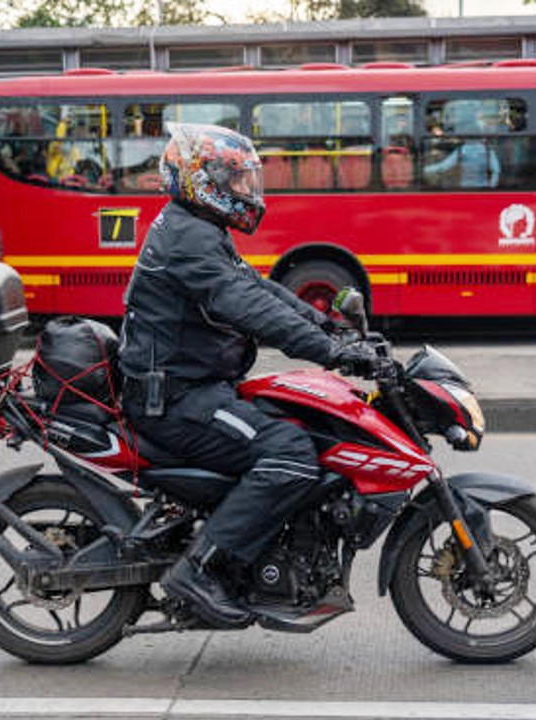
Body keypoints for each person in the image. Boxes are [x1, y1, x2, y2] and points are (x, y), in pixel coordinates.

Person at [118, 123, 375, 628]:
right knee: (291, 454)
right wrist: (328, 351)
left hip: (191, 385)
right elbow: (245, 307)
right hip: (174, 400)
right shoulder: (189, 236)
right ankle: (198, 571)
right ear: (202, 179)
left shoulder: (196, 227)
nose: (245, 191)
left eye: (245, 181)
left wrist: (332, 330)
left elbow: (257, 289)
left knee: (297, 427)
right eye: (235, 180)